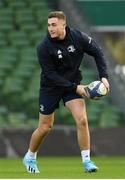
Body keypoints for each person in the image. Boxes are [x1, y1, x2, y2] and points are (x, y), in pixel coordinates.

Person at [23, 11, 110, 173]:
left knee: (82, 120)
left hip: (72, 84)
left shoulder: (78, 37)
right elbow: (51, 75)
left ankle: (87, 161)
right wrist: (77, 88)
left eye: (54, 25)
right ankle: (30, 156)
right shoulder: (43, 47)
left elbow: (97, 51)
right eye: (49, 25)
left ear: (64, 24)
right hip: (51, 87)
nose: (50, 28)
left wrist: (104, 76)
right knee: (45, 127)